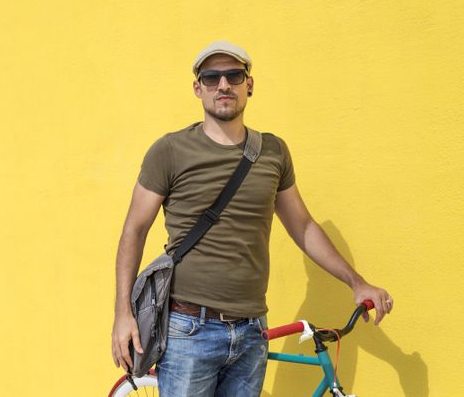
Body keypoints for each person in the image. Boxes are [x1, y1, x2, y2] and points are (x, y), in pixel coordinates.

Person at [111, 40, 393, 397]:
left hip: (251, 331)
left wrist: (357, 282)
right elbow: (133, 231)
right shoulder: (169, 151)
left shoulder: (274, 152)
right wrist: (123, 314)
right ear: (198, 88)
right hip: (188, 329)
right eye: (212, 77)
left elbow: (303, 227)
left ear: (250, 84)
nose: (223, 85)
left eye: (234, 75)